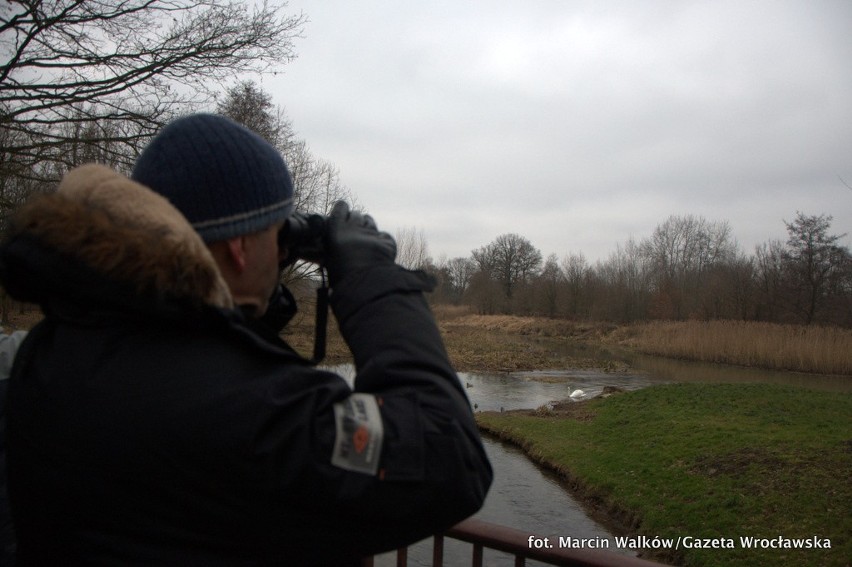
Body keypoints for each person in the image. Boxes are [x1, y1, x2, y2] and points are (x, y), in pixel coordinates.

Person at [0, 114, 492, 566]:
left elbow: (198, 367)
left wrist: (246, 308)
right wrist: (375, 280)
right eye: (276, 233)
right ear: (238, 249)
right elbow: (448, 457)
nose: (282, 249)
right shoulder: (253, 411)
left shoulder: (52, 346)